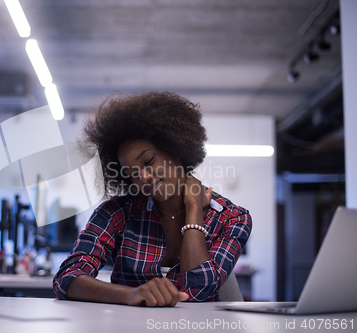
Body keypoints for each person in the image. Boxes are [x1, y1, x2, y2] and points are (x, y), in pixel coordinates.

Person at [53, 92, 252, 307]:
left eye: (148, 161)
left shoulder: (232, 218)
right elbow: (67, 278)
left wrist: (193, 209)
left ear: (174, 149)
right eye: (132, 174)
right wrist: (129, 294)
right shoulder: (118, 212)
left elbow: (197, 291)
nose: (144, 177)